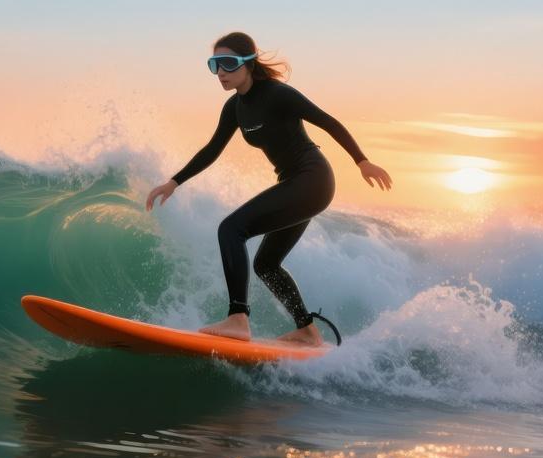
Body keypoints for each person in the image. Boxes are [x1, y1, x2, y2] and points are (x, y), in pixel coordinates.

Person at [144, 32, 393, 347]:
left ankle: (238, 318)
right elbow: (212, 149)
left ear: (248, 63)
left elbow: (328, 122)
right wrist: (173, 182)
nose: (220, 72)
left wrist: (362, 162)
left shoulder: (278, 94)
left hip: (313, 179)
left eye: (228, 63)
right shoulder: (234, 108)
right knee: (266, 264)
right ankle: (307, 330)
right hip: (295, 184)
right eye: (214, 65)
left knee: (231, 229)